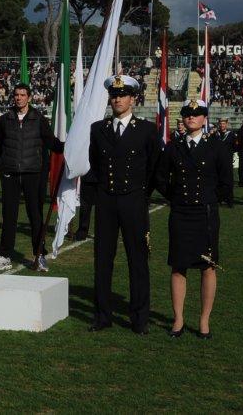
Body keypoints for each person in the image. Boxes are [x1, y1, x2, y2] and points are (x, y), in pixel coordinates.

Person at [89, 75, 159, 335]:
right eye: (114, 95)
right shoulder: (99, 129)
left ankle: (140, 319)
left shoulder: (146, 130)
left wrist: (142, 194)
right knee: (103, 260)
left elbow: (154, 167)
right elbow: (95, 164)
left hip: (133, 199)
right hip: (106, 200)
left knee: (137, 261)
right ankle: (102, 316)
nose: (117, 99)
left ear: (133, 99)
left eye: (123, 95)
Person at [155, 99, 231, 339]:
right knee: (178, 266)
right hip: (181, 213)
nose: (191, 118)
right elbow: (160, 178)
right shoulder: (173, 147)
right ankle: (178, 319)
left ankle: (204, 320)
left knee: (207, 267)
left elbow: (226, 182)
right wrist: (175, 197)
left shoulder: (216, 146)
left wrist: (209, 199)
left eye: (197, 115)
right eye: (187, 114)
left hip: (205, 214)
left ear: (204, 119)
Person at [0, 84, 63, 272]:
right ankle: (5, 255)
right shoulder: (5, 119)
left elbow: (52, 143)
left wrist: (69, 145)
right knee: (9, 216)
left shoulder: (39, 119)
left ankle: (39, 255)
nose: (19, 98)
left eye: (23, 95)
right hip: (10, 174)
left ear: (29, 97)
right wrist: (1, 164)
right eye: (16, 95)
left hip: (33, 174)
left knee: (35, 216)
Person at [211, 118, 235, 207]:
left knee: (228, 182)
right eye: (220, 123)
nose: (222, 125)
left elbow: (234, 147)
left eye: (223, 123)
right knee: (217, 181)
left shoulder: (231, 135)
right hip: (216, 162)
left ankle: (229, 200)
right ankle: (219, 199)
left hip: (227, 162)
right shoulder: (214, 135)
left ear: (226, 124)